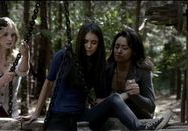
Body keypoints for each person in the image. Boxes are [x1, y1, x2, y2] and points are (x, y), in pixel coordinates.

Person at [23, 22, 162, 130]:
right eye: (85, 41)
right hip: (59, 116)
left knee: (113, 99)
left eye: (93, 42)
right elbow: (48, 83)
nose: (89, 46)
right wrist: (36, 113)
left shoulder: (98, 64)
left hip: (82, 117)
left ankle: (140, 129)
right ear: (80, 41)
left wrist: (124, 96)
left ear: (98, 44)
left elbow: (101, 100)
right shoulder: (64, 55)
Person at [105, 28, 156, 119]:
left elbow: (151, 107)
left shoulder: (143, 70)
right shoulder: (107, 68)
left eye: (125, 48)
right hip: (112, 117)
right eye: (116, 47)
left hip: (138, 118)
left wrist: (135, 96)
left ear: (134, 52)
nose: (119, 51)